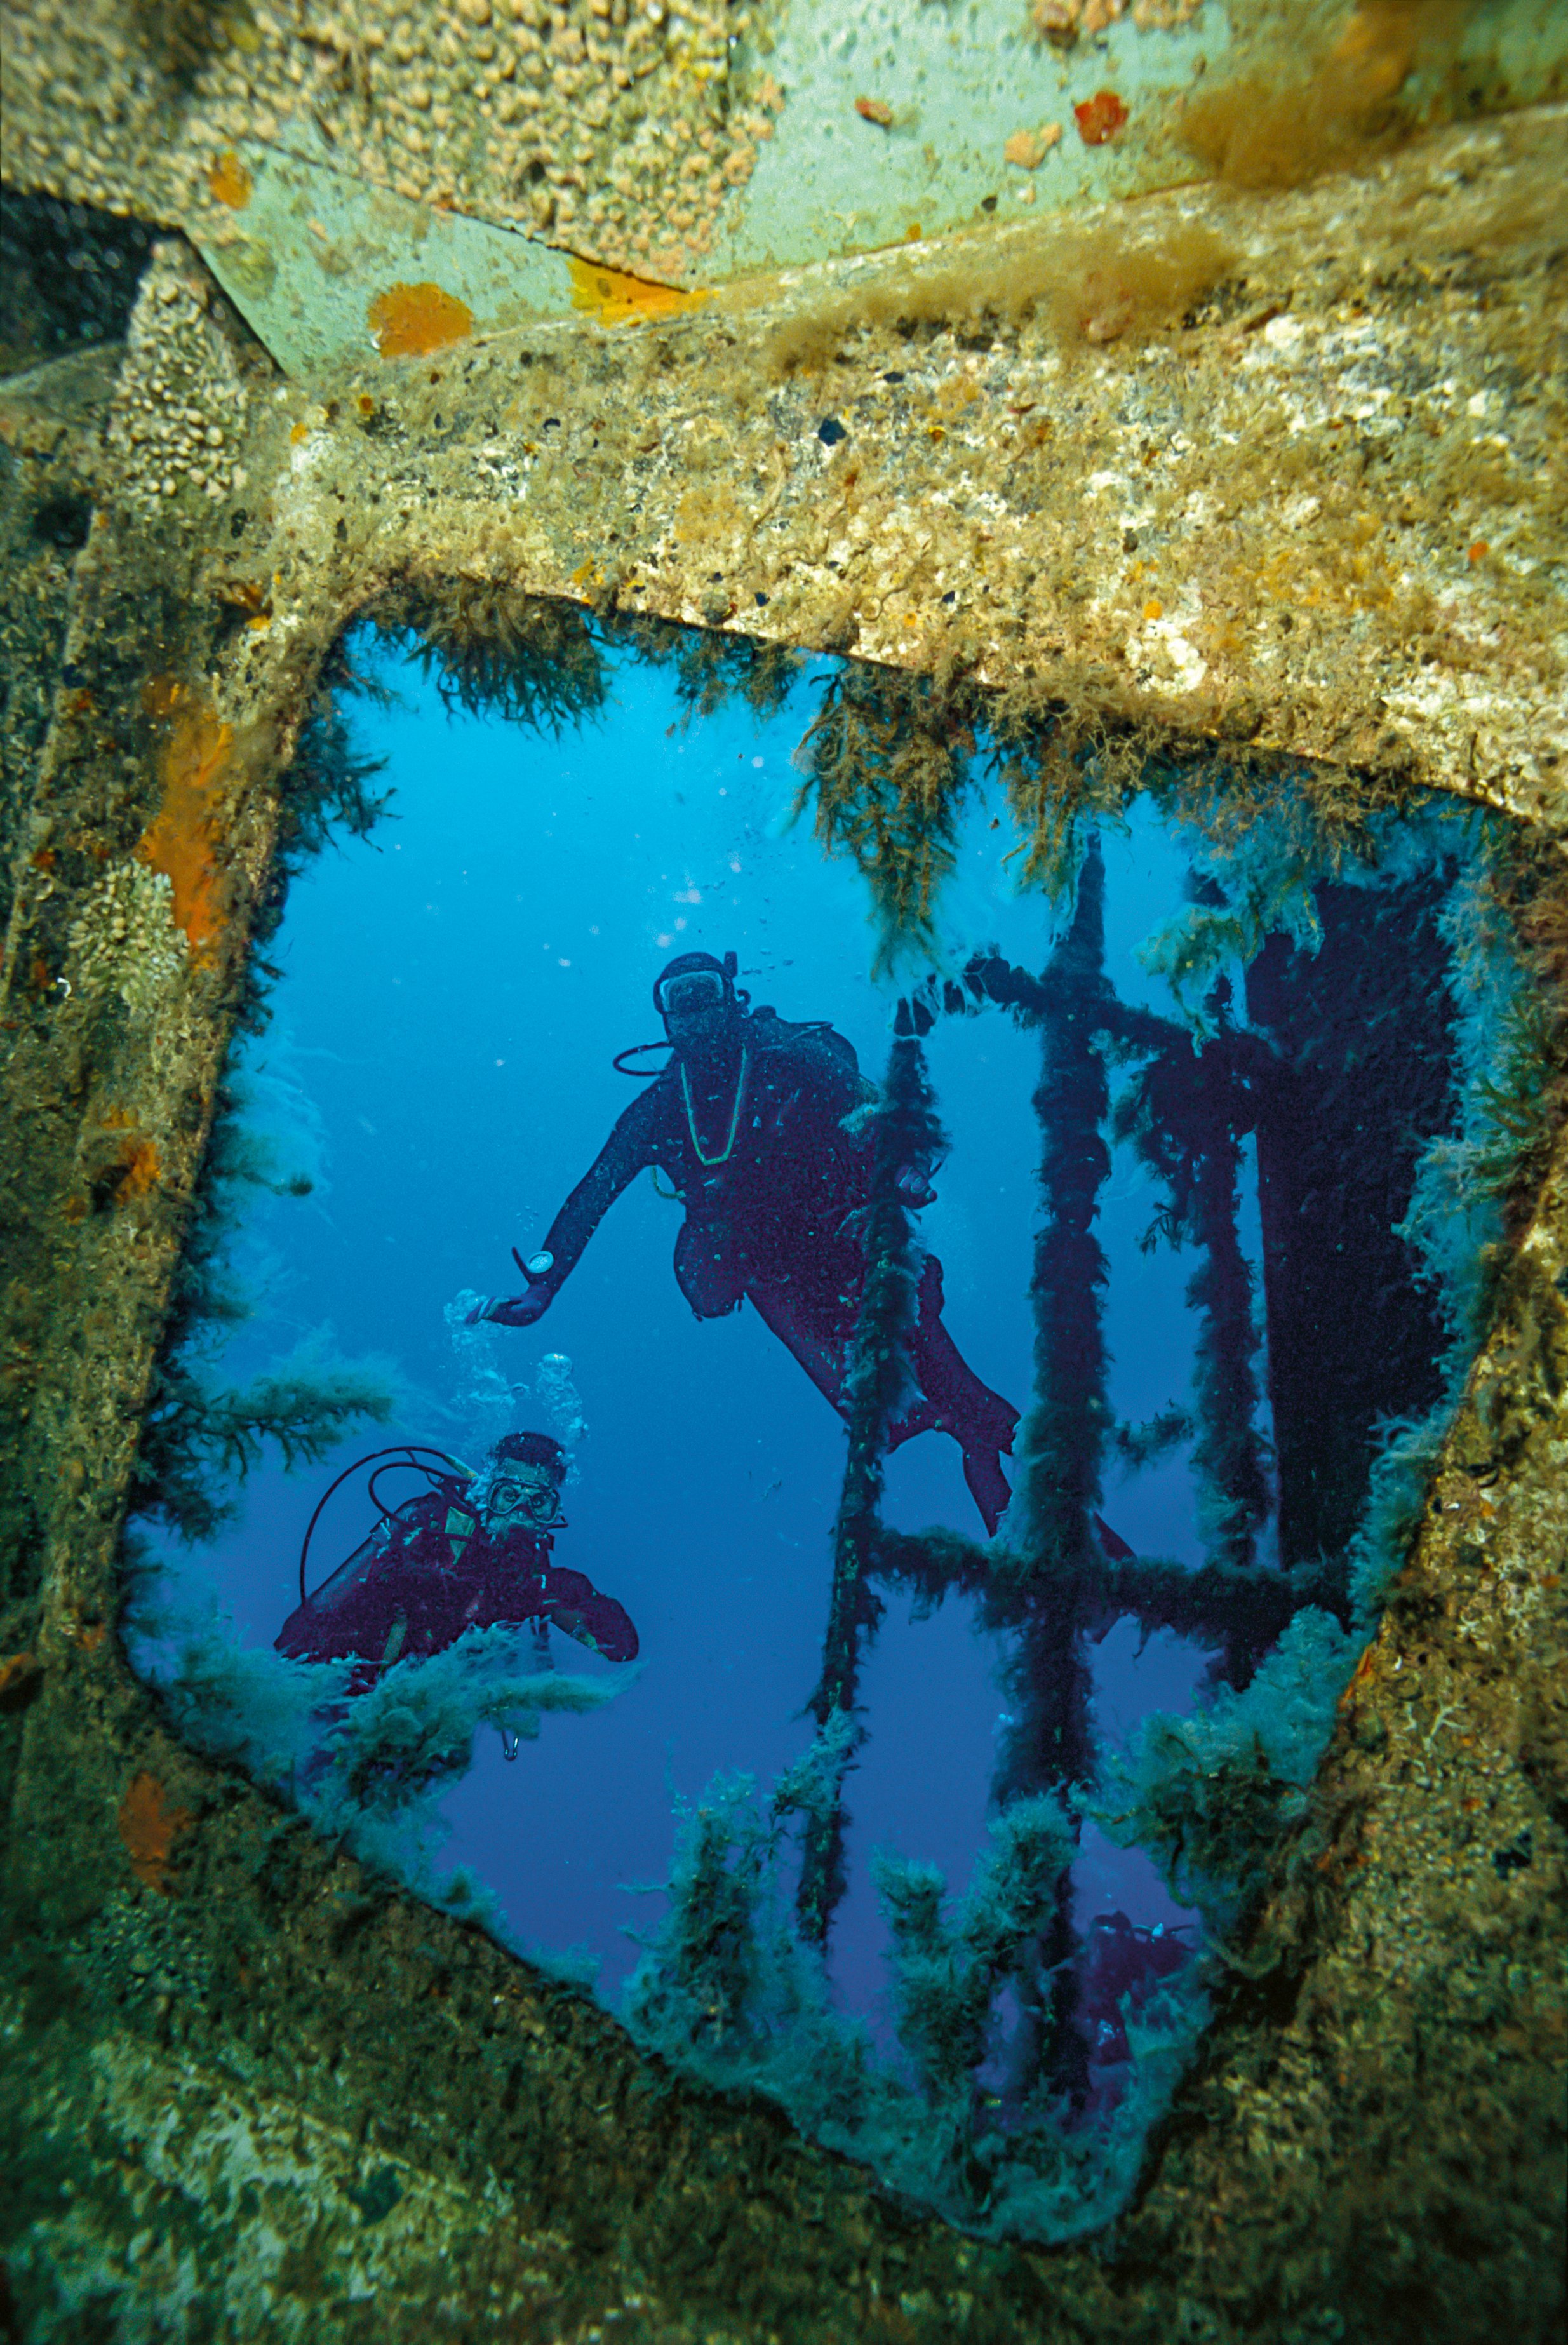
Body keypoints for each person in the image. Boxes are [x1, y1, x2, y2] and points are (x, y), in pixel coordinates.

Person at [469, 951, 1020, 1533]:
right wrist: (543, 1286)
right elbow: (592, 1194)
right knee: (889, 1417)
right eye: (678, 999)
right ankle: (992, 1466)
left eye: (703, 992)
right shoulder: (659, 1110)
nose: (693, 1010)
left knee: (956, 1393)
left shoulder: (792, 1059)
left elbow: (883, 1114)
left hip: (856, 1248)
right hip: (777, 1280)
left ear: (731, 996)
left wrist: (907, 1169)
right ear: (663, 1016)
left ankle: (1010, 1470)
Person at [275, 1430, 638, 1681]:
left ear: (553, 1513)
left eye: (539, 1503)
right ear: (486, 1494)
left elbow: (621, 1649)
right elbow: (339, 1608)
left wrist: (578, 1596)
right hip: (348, 1679)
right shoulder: (429, 1524)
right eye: (508, 1496)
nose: (521, 1515)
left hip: (423, 1715)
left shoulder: (534, 1574)